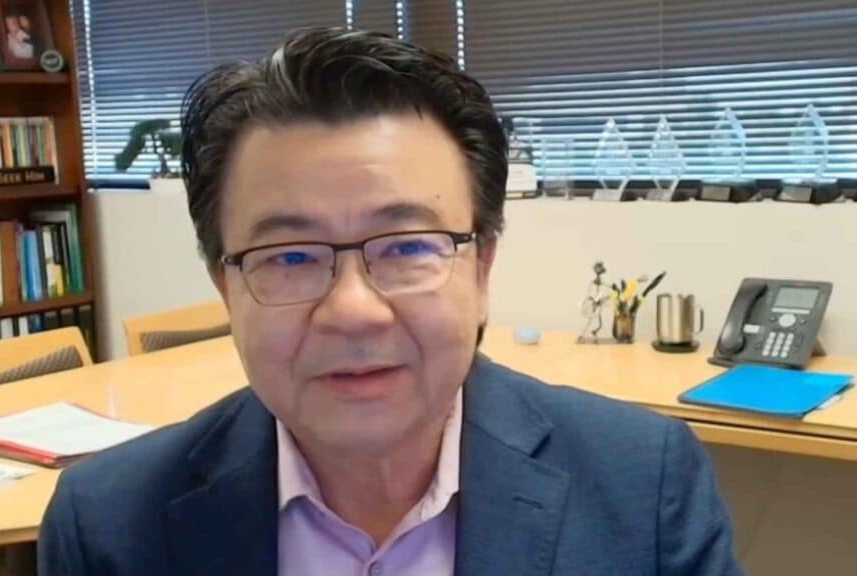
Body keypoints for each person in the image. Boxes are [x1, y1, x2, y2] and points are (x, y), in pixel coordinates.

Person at [39, 27, 742, 575]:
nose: (354, 311)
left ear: (482, 265)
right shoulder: (108, 525)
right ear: (226, 287)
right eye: (290, 257)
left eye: (407, 247)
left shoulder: (643, 484)